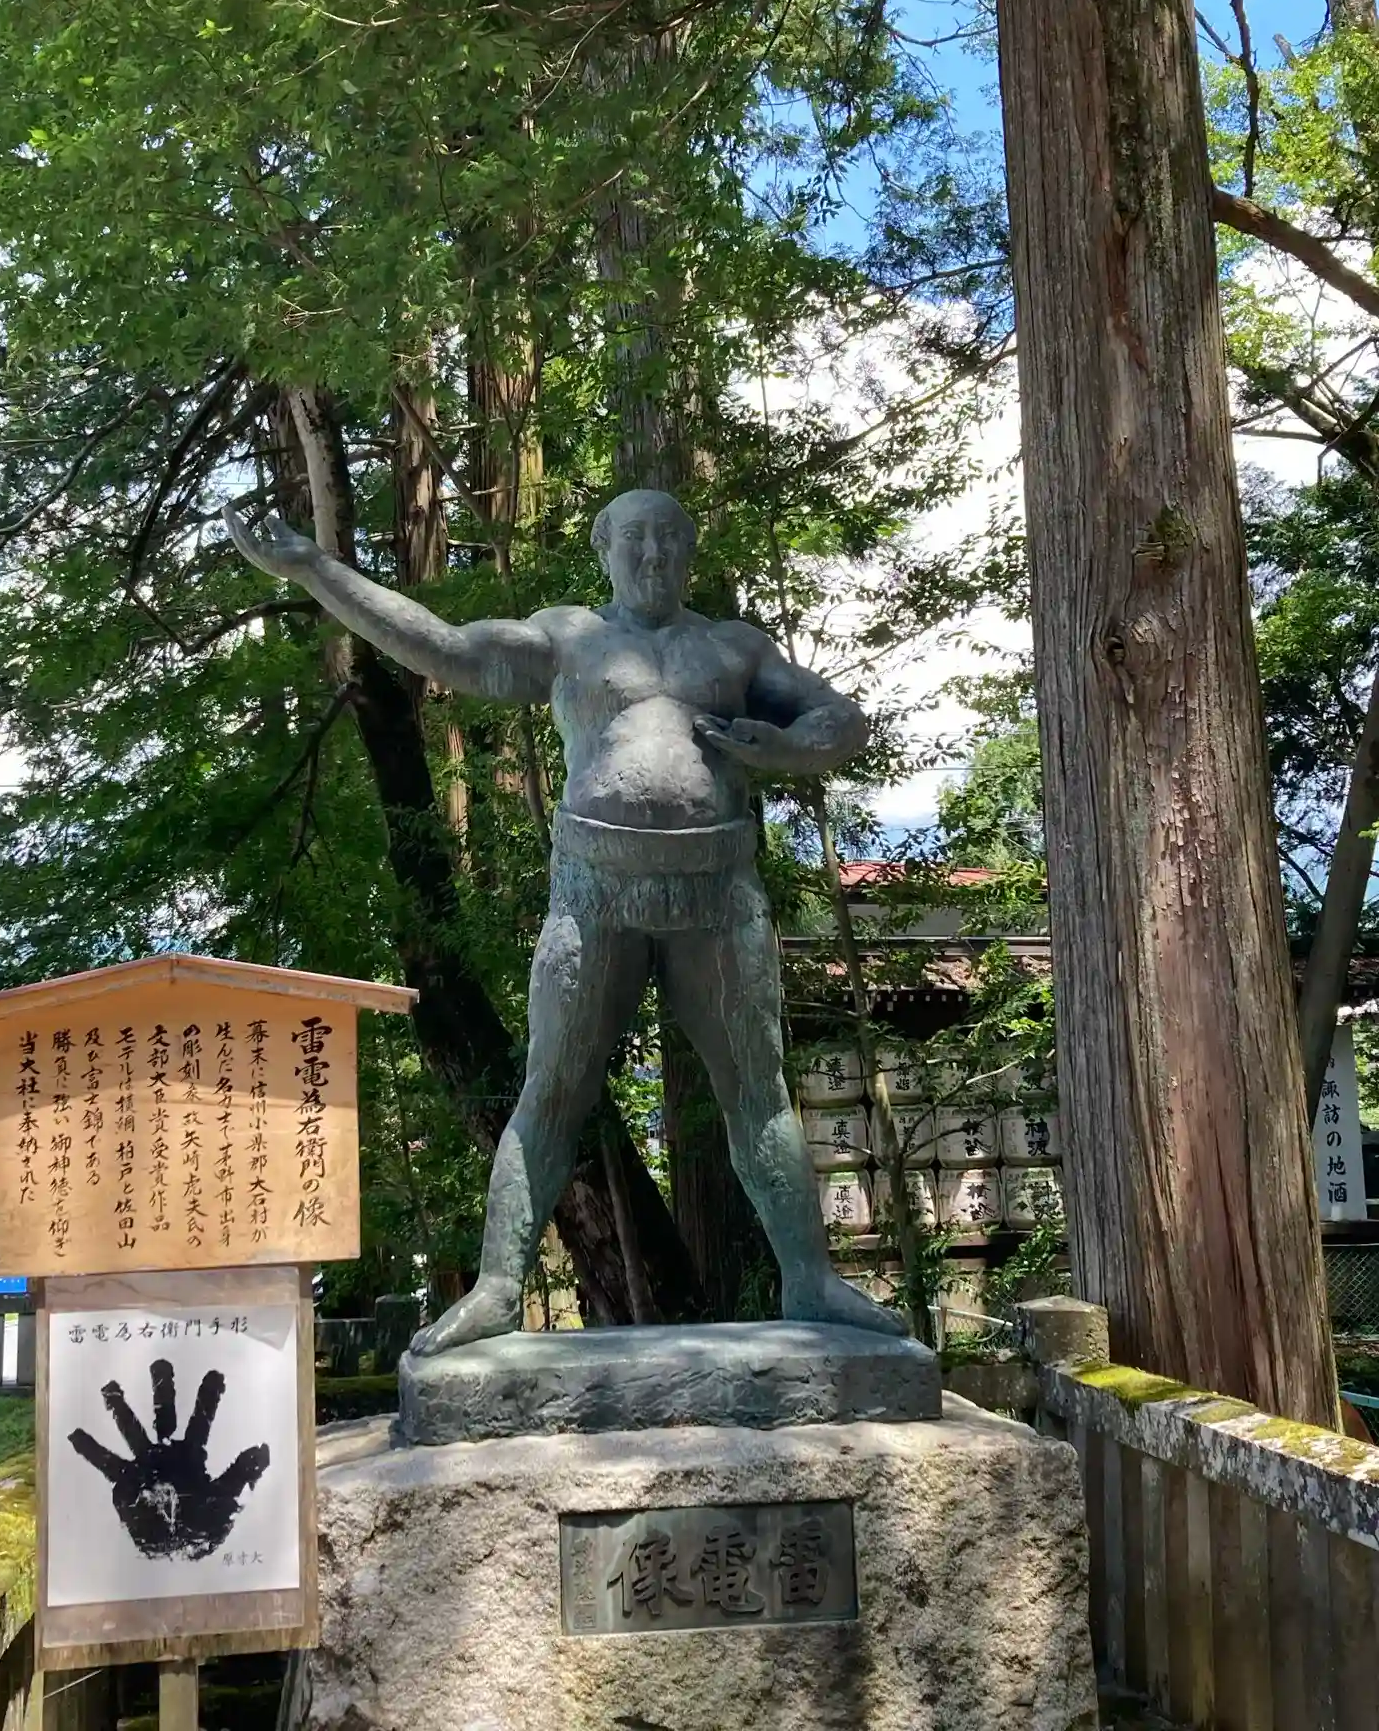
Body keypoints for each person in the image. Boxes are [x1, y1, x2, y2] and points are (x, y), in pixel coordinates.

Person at [225, 487, 907, 1353]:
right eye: (636, 538)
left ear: (690, 553)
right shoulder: (569, 637)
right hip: (595, 892)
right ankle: (499, 1288)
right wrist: (315, 568)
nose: (654, 555)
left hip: (717, 892)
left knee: (758, 1092)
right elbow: (447, 648)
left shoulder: (734, 647)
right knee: (551, 1092)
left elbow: (840, 717)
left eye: (671, 539)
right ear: (604, 548)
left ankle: (811, 1279)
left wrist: (789, 746)